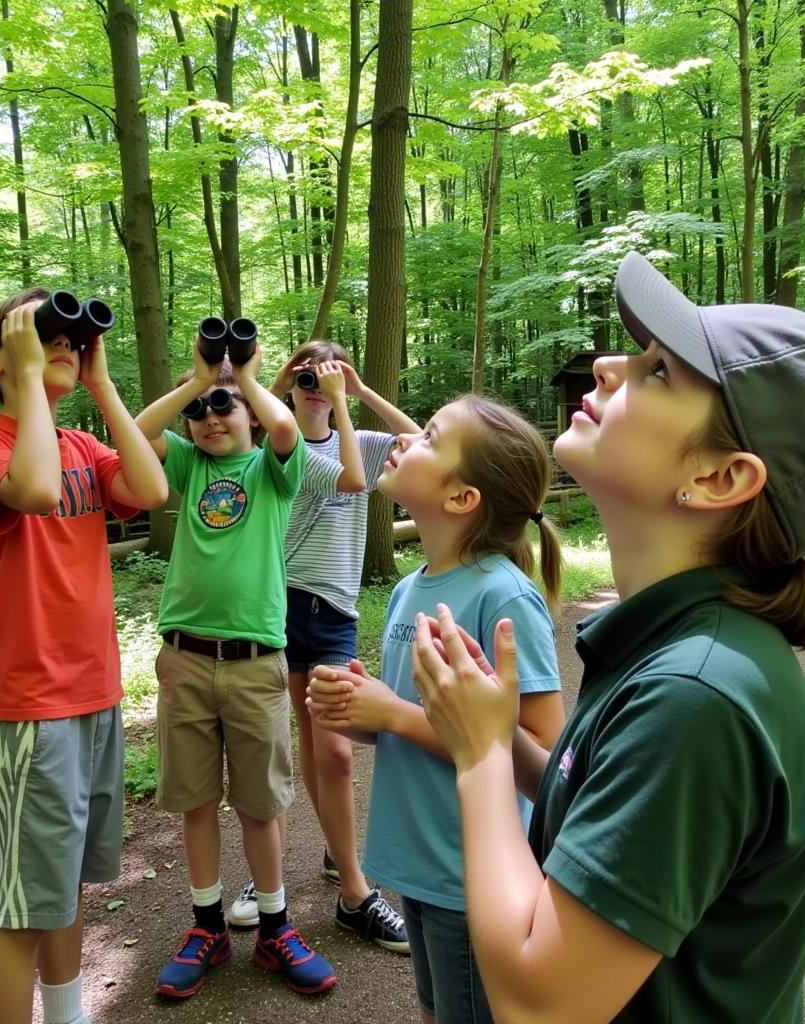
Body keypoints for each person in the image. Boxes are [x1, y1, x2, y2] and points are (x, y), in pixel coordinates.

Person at [409, 251, 805, 1023]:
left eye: (660, 371)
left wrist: (477, 760)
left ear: (719, 479)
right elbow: (597, 802)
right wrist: (497, 738)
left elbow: (541, 1005)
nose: (607, 365)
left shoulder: (692, 696)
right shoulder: (677, 648)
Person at [308, 395, 567, 1024]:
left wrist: (394, 714)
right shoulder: (408, 587)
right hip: (419, 859)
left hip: (472, 871)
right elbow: (418, 723)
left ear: (461, 498)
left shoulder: (502, 593)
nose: (402, 439)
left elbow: (541, 748)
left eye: (427, 436)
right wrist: (364, 712)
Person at [0, 291, 169, 1024]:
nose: (69, 346)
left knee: (63, 886)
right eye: (48, 336)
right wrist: (28, 377)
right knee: (20, 909)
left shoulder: (82, 445)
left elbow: (150, 487)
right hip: (28, 708)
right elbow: (38, 491)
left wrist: (103, 383)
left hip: (94, 695)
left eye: (75, 339)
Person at [134, 339, 337, 1000]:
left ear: (249, 411)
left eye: (226, 406)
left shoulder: (273, 469)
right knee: (194, 800)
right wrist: (195, 379)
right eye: (201, 409)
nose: (212, 416)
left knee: (258, 801)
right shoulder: (189, 465)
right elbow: (138, 434)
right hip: (186, 659)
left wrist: (243, 378)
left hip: (255, 665)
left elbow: (283, 425)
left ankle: (276, 928)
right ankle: (205, 927)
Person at [225, 341, 418, 954]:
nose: (317, 382)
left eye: (327, 370)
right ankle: (277, 877)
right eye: (306, 372)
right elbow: (351, 484)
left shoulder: (356, 437)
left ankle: (349, 883)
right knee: (283, 747)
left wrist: (355, 395)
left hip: (331, 611)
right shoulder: (276, 449)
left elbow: (423, 441)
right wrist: (284, 383)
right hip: (279, 606)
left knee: (332, 753)